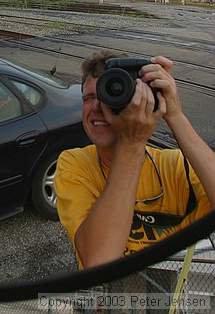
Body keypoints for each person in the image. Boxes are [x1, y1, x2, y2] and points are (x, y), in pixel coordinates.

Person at [54, 51, 215, 270]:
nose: (97, 108)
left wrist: (175, 114)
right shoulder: (75, 164)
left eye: (111, 96)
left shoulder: (177, 166)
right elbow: (99, 261)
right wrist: (132, 143)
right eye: (89, 98)